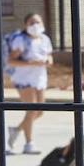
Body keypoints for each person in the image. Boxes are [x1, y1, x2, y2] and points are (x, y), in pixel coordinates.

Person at [6, 12, 53, 154]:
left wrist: (47, 61)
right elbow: (11, 60)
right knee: (31, 110)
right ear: (25, 26)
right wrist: (31, 62)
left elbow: (49, 56)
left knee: (39, 112)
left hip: (39, 78)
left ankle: (16, 130)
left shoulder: (45, 39)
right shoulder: (21, 40)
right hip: (24, 79)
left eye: (38, 22)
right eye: (31, 23)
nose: (35, 25)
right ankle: (29, 143)